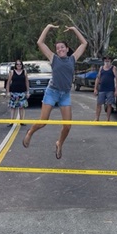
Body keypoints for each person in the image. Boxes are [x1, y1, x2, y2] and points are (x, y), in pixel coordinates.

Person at [22, 24, 87, 159]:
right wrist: (47, 27)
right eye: (58, 48)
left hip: (65, 94)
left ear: (67, 49)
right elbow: (40, 42)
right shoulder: (54, 58)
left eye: (62, 47)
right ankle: (30, 132)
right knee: (43, 121)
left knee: (68, 126)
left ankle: (59, 143)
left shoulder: (73, 59)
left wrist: (74, 29)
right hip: (52, 92)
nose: (60, 49)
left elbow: (84, 43)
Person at [93, 56, 117, 122]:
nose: (107, 61)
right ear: (103, 60)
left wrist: (116, 90)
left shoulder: (113, 68)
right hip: (102, 89)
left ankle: (108, 119)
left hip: (110, 90)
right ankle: (97, 118)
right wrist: (95, 88)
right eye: (105, 59)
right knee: (99, 104)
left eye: (108, 59)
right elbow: (98, 78)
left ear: (110, 61)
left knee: (109, 104)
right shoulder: (101, 68)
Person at [6, 59, 30, 127]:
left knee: (21, 107)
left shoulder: (24, 72)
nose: (19, 65)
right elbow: (8, 82)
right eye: (17, 64)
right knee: (13, 107)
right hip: (14, 92)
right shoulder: (12, 72)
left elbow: (27, 82)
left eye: (20, 64)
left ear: (22, 65)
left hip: (22, 92)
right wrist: (8, 92)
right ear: (15, 65)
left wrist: (28, 92)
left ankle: (21, 121)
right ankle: (11, 121)